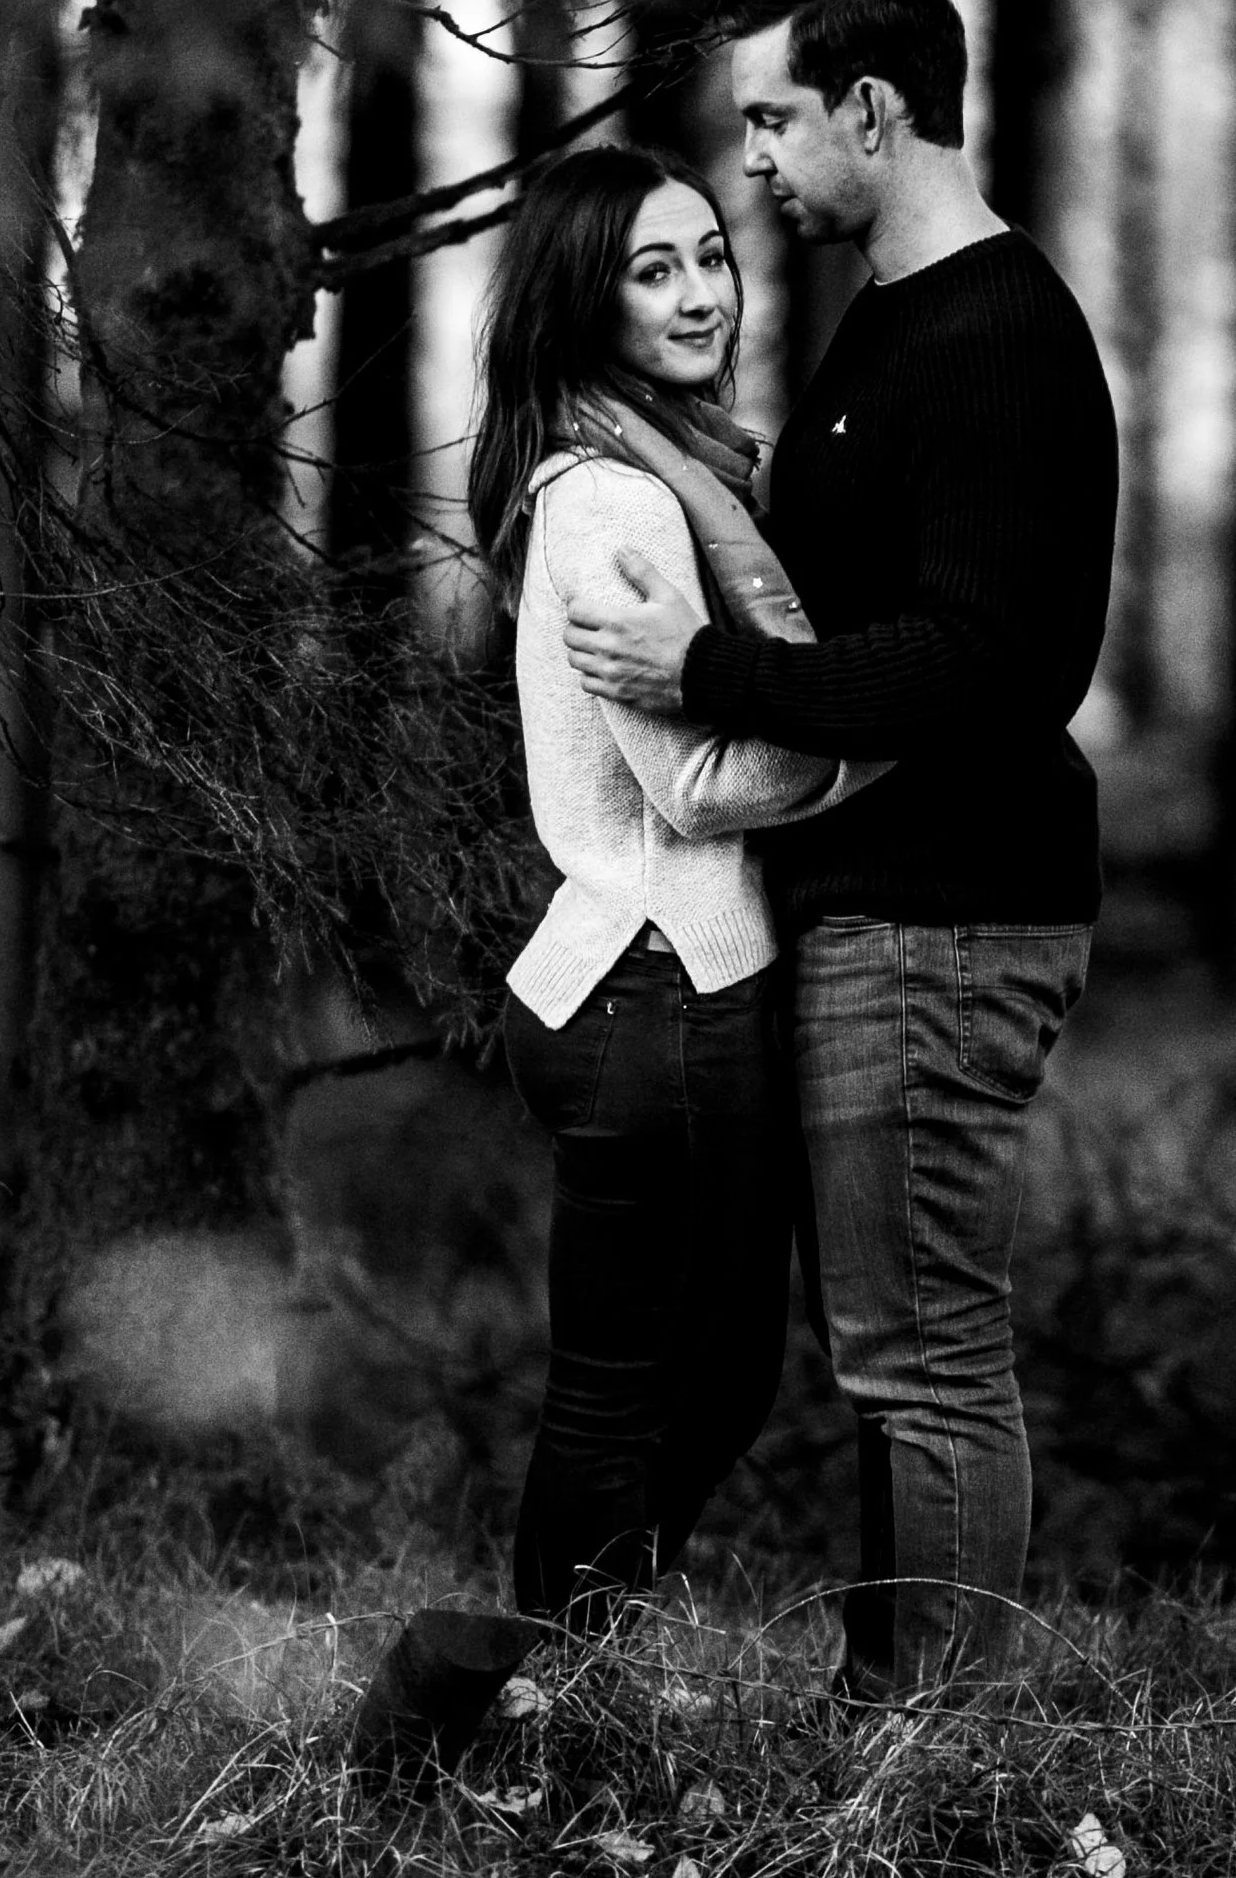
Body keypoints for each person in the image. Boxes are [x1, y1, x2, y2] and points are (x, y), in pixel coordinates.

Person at [564, 0, 1119, 1703]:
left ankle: (937, 1763)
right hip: (876, 907)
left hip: (951, 918)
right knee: (886, 1350)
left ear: (875, 110)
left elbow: (985, 663)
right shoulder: (893, 321)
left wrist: (704, 667)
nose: (759, 168)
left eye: (779, 122)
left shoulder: (1004, 339)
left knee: (926, 1354)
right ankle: (891, 1722)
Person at [352, 143, 878, 1778]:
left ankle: (527, 1689)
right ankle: (508, 1697)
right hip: (659, 980)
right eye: (652, 271)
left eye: (709, 254)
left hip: (639, 978)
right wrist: (876, 742)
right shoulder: (618, 497)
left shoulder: (660, 470)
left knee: (689, 1372)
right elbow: (692, 780)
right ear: (589, 301)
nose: (701, 290)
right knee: (656, 1383)